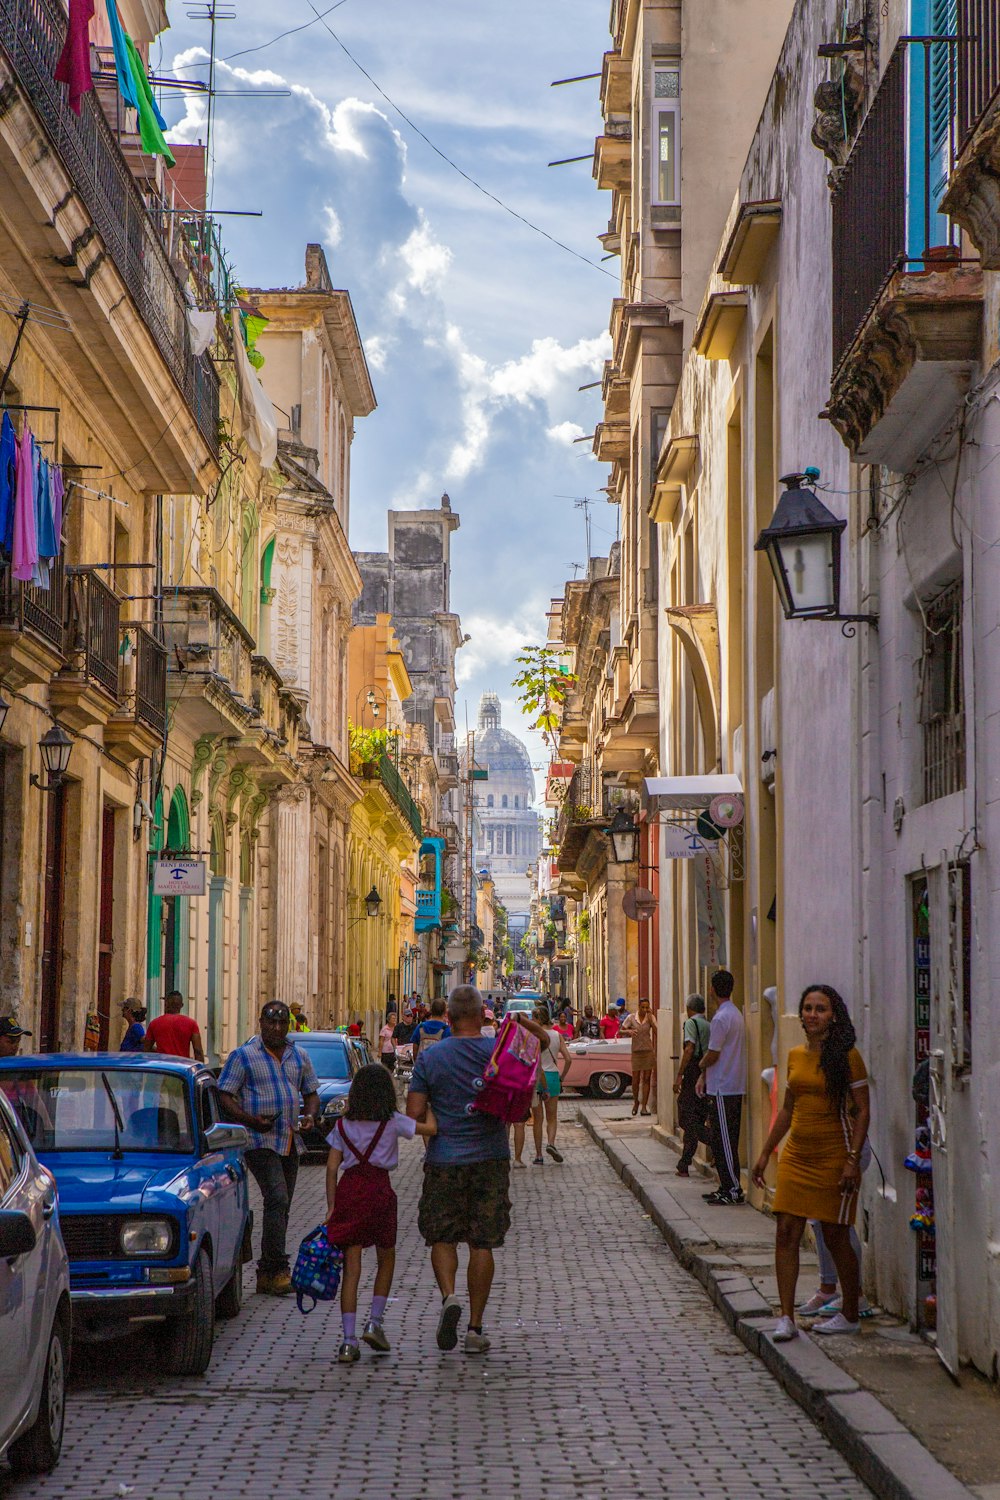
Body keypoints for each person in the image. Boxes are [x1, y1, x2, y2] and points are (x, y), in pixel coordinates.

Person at [406, 985, 550, 1355]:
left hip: (444, 1159)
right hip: (489, 1158)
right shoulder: (496, 1051)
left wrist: (438, 1118)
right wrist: (521, 1021)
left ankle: (449, 1296)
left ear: (449, 1017)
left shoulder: (431, 1058)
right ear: (484, 1015)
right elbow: (544, 1044)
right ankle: (474, 1327)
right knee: (482, 1242)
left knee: (442, 1237)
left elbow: (413, 1114)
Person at [752, 984, 871, 1341]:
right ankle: (786, 1317)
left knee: (835, 1235)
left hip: (835, 1155)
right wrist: (763, 1152)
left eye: (820, 1008)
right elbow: (788, 1109)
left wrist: (852, 1160)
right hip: (797, 1156)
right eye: (807, 1008)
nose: (812, 1014)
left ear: (833, 1015)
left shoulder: (847, 1057)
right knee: (786, 1230)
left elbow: (863, 1109)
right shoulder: (794, 1056)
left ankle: (851, 1310)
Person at [326, 1062, 437, 1362]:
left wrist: (331, 1206)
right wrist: (433, 1103)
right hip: (379, 1192)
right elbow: (431, 1129)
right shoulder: (393, 1121)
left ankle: (348, 1341)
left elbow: (332, 1167)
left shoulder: (342, 1125)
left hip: (350, 1192)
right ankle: (375, 1321)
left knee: (352, 1268)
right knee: (386, 1258)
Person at [218, 1001, 320, 1295]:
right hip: (258, 1140)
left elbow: (311, 1093)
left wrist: (310, 1116)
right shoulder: (243, 1056)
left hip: (289, 1139)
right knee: (276, 1197)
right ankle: (277, 1268)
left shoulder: (298, 1056)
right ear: (260, 1022)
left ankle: (266, 1273)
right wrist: (250, 1120)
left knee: (283, 1203)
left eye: (282, 1023)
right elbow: (225, 1095)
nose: (276, 1028)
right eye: (271, 1022)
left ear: (289, 1025)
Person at [696, 970, 747, 1205]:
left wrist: (701, 1065)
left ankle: (733, 1189)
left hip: (723, 1087)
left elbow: (714, 1053)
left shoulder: (720, 1018)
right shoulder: (735, 1014)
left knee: (724, 1140)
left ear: (712, 990)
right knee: (721, 1138)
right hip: (728, 1084)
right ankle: (726, 1185)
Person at [513, 1005, 572, 1167]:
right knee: (552, 1118)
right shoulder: (557, 1035)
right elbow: (568, 1059)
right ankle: (551, 1143)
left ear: (537, 1019)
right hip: (553, 1076)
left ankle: (539, 1155)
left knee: (537, 1119)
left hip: (536, 1077)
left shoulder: (532, 1036)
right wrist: (562, 1077)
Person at [673, 994, 711, 1175]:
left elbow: (689, 1048)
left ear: (689, 1008)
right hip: (707, 1073)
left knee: (686, 1116)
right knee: (697, 1115)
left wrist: (679, 1074)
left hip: (694, 1071)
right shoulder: (709, 1025)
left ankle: (713, 1139)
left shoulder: (691, 1023)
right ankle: (684, 1163)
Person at [143, 991, 204, 1061]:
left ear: (166, 1004)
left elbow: (146, 1049)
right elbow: (198, 1051)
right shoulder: (191, 1024)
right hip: (182, 1067)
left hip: (162, 1066)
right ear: (182, 1005)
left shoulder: (154, 1023)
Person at [622, 997, 657, 1116]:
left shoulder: (650, 1017)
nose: (645, 1009)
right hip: (636, 1052)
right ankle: (636, 1101)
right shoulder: (631, 1018)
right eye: (643, 1007)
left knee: (646, 1079)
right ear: (639, 1007)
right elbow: (620, 1031)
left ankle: (644, 1107)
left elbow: (657, 1032)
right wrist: (629, 1032)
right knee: (635, 1080)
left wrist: (651, 1020)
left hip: (648, 1051)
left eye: (647, 1007)